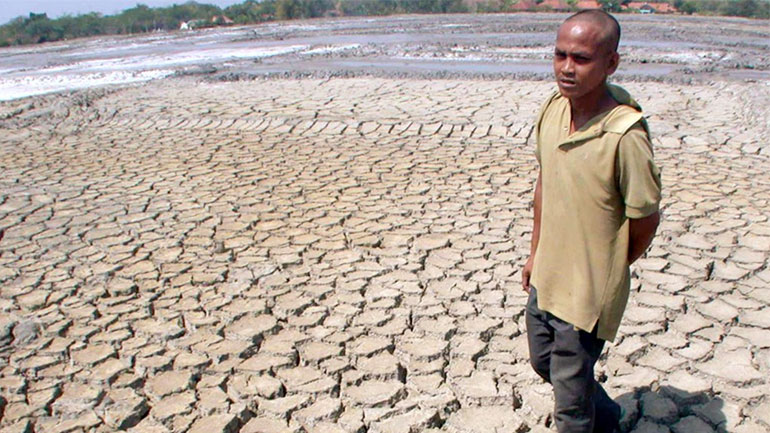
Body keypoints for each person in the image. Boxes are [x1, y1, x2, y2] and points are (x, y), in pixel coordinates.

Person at [520, 10, 662, 433]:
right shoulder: (552, 110)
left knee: (570, 406)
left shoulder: (625, 135)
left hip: (585, 293)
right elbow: (545, 183)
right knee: (542, 359)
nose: (566, 67)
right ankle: (608, 416)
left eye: (580, 58)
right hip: (548, 272)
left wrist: (607, 268)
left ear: (610, 63)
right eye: (560, 54)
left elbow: (645, 218)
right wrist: (535, 254)